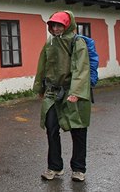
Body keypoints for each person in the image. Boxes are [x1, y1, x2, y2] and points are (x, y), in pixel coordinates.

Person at [33, 11, 91, 182]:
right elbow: (42, 66)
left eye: (59, 25)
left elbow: (81, 67)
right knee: (51, 128)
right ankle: (55, 167)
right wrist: (40, 87)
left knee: (78, 130)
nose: (56, 28)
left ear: (67, 25)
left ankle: (79, 169)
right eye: (53, 25)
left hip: (72, 93)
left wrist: (76, 92)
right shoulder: (50, 42)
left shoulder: (77, 42)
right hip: (52, 93)